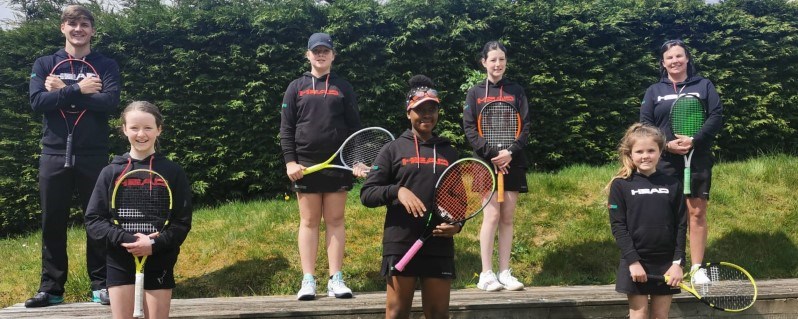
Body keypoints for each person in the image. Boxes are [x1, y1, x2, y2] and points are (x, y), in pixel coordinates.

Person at [26, 4, 121, 307]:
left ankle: (102, 284)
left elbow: (109, 102)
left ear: (92, 30)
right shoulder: (44, 63)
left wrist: (62, 90)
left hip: (93, 154)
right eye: (72, 23)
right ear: (62, 28)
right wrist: (80, 89)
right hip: (53, 153)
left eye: (84, 24)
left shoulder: (106, 65)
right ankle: (51, 289)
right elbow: (38, 101)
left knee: (97, 219)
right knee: (52, 221)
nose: (78, 29)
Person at [361, 75, 463, 319]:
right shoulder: (393, 149)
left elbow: (459, 200)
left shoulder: (449, 151)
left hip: (438, 244)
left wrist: (457, 225)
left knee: (438, 314)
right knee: (396, 313)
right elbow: (367, 193)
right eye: (420, 110)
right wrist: (398, 190)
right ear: (409, 112)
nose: (426, 115)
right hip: (401, 241)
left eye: (432, 109)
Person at [85, 101, 192, 318]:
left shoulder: (173, 172)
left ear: (159, 130)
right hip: (119, 261)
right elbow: (94, 220)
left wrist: (154, 244)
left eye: (148, 128)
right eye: (134, 128)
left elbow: (182, 222)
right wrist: (126, 239)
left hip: (160, 258)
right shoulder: (110, 172)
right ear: (124, 129)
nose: (141, 134)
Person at [280, 32, 361, 300]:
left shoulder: (343, 87)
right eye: (316, 51)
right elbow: (286, 128)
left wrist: (356, 159)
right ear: (308, 55)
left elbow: (354, 128)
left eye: (325, 50)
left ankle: (335, 279)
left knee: (336, 220)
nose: (321, 54)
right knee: (309, 221)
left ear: (333, 55)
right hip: (305, 165)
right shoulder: (295, 87)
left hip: (338, 164)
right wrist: (291, 161)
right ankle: (308, 280)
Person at [640, 39, 723, 284]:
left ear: (687, 59)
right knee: (666, 214)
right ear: (663, 63)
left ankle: (697, 268)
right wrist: (666, 144)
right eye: (669, 58)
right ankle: (672, 264)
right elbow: (645, 124)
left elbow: (716, 116)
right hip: (664, 161)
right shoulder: (654, 91)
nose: (675, 61)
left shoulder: (703, 85)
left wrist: (694, 140)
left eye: (679, 56)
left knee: (696, 213)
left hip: (697, 159)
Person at [462, 41, 530, 291]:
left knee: (507, 218)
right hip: (485, 162)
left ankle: (505, 272)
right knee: (491, 215)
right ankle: (486, 274)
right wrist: (493, 153)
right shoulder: (475, 93)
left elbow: (525, 127)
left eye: (501, 59)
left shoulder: (517, 91)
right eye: (493, 60)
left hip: (513, 161)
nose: (498, 64)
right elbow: (470, 129)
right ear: (484, 62)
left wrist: (509, 152)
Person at [607, 123, 686, 319]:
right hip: (635, 261)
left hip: (666, 263)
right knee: (639, 314)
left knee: (660, 315)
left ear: (660, 151)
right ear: (630, 154)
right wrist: (633, 261)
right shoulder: (620, 185)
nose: (645, 156)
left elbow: (681, 226)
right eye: (639, 151)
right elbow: (618, 227)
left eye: (651, 150)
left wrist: (678, 263)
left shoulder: (673, 184)